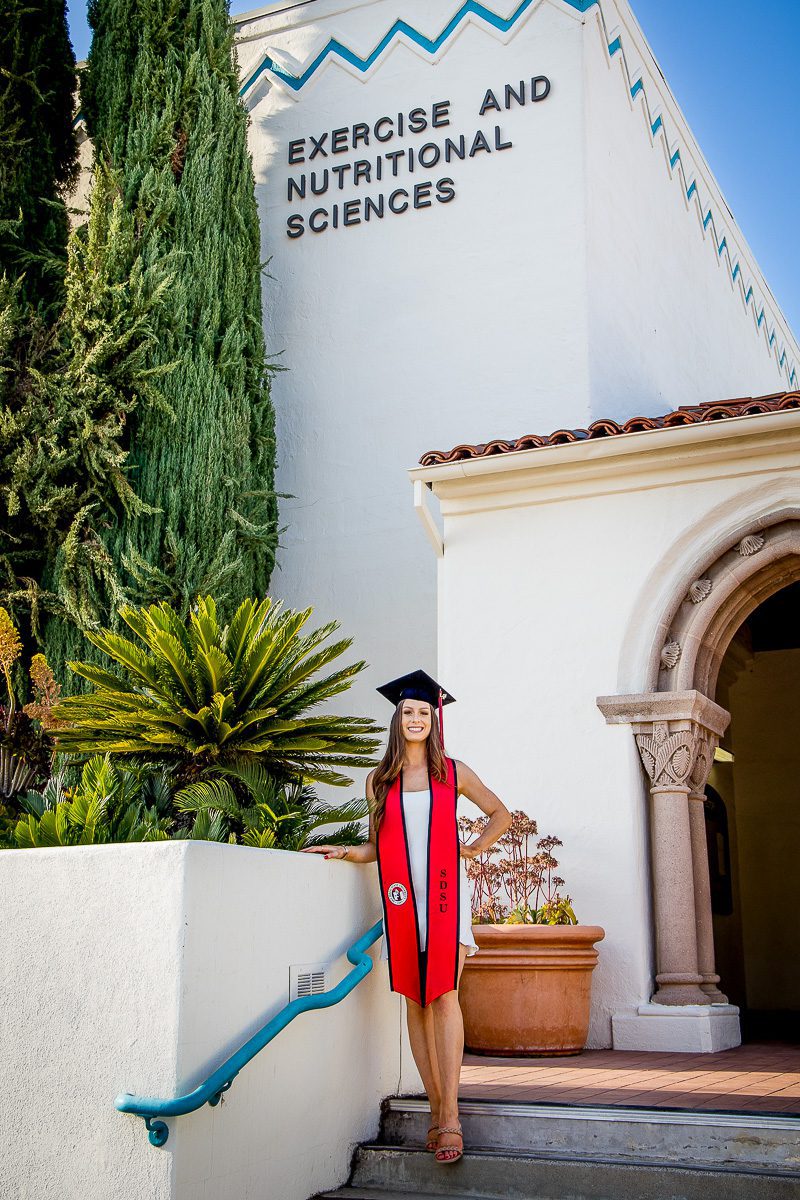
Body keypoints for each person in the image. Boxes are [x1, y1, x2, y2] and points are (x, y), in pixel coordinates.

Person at [302, 669, 511, 1165]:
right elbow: (378, 844)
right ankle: (436, 1110)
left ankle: (452, 1117)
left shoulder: (453, 772)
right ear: (397, 720)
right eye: (407, 712)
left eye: (423, 712)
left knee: (444, 995)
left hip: (445, 900)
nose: (415, 719)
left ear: (433, 721)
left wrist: (474, 847)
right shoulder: (381, 779)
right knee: (416, 1002)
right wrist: (348, 853)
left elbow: (500, 814)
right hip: (402, 902)